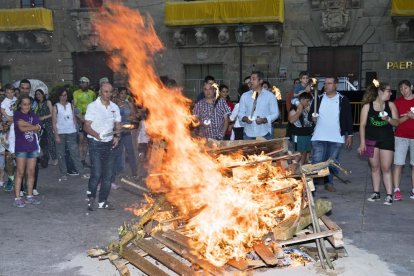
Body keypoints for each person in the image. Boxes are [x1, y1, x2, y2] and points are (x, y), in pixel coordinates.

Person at [308, 76, 353, 192]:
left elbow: (348, 118)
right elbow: (310, 115)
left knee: (332, 161)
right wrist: (312, 119)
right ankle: (314, 184)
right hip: (319, 135)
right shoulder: (318, 98)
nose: (326, 86)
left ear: (336, 85)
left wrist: (350, 135)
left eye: (329, 83)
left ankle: (329, 183)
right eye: (325, 83)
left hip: (336, 137)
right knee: (317, 161)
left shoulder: (343, 99)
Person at [358, 82, 399, 205]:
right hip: (371, 140)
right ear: (380, 92)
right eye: (388, 91)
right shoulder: (367, 107)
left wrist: (388, 119)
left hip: (386, 139)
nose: (390, 93)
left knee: (386, 167)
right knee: (374, 167)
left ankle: (389, 194)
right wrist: (362, 142)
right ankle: (376, 193)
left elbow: (396, 123)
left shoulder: (390, 105)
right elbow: (362, 125)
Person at [84, 82, 121, 210]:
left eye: (110, 92)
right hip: (95, 143)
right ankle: (91, 198)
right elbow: (86, 126)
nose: (108, 94)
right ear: (100, 91)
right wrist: (96, 134)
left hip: (109, 144)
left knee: (108, 175)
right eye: (105, 91)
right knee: (97, 173)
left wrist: (117, 136)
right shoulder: (92, 106)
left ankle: (102, 201)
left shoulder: (114, 107)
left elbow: (118, 124)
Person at [52, 87, 87, 181]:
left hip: (71, 132)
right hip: (60, 133)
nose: (64, 97)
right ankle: (63, 173)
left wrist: (76, 129)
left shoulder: (71, 106)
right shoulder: (55, 107)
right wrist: (56, 136)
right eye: (62, 95)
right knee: (61, 154)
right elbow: (54, 122)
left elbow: (75, 118)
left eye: (65, 95)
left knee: (74, 153)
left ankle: (81, 172)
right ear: (59, 96)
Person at [13, 95, 42, 208]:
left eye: (28, 104)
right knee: (20, 172)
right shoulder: (17, 115)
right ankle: (17, 197)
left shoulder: (33, 115)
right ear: (20, 104)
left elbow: (37, 127)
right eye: (24, 104)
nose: (26, 106)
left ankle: (29, 196)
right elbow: (22, 128)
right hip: (21, 148)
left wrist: (32, 126)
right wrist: (35, 127)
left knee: (31, 172)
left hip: (32, 147)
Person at [238, 71, 279, 140]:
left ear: (260, 81)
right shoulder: (244, 96)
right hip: (248, 134)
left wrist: (264, 120)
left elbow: (275, 113)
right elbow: (240, 113)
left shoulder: (270, 96)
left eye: (253, 79)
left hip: (265, 134)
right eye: (250, 79)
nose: (251, 81)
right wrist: (245, 119)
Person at [392, 80, 414, 201]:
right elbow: (396, 122)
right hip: (400, 136)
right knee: (398, 164)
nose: (403, 91)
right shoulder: (397, 102)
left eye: (406, 88)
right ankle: (396, 189)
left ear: (411, 87)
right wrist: (407, 116)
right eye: (401, 89)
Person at [73, 76, 96, 167]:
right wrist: (79, 118)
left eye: (83, 82)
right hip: (80, 118)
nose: (81, 84)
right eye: (80, 82)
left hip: (90, 119)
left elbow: (95, 105)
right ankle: (81, 160)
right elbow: (74, 107)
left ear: (88, 83)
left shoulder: (92, 93)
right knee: (81, 140)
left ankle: (86, 160)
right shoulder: (76, 93)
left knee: (88, 140)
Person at [116, 87, 137, 176]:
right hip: (117, 131)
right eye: (122, 93)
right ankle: (118, 170)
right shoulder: (115, 104)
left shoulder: (129, 105)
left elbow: (134, 116)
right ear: (119, 94)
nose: (123, 95)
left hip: (126, 130)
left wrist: (129, 118)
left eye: (125, 93)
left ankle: (134, 171)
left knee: (130, 150)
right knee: (118, 151)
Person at [288, 92, 314, 165]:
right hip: (297, 135)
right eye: (307, 101)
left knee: (304, 155)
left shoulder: (308, 108)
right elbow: (291, 120)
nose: (308, 103)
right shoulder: (294, 107)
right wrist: (299, 111)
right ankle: (292, 170)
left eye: (309, 101)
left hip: (307, 134)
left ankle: (300, 171)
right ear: (302, 100)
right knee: (298, 154)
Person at [35, 88, 57, 166]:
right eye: (36, 94)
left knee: (51, 141)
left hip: (48, 124)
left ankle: (54, 158)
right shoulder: (36, 104)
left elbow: (52, 113)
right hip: (40, 125)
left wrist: (44, 117)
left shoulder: (47, 102)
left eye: (39, 94)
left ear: (43, 94)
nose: (38, 96)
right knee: (43, 143)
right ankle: (46, 158)